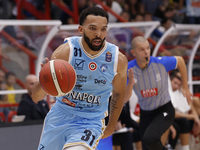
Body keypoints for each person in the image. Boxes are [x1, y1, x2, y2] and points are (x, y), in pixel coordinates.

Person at [32, 7, 128, 150]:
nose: (98, 34)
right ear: (81, 30)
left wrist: (111, 125)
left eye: (103, 29)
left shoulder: (117, 60)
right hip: (60, 116)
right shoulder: (65, 52)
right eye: (93, 28)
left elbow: (119, 93)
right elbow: (36, 97)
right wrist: (44, 80)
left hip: (90, 121)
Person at [125, 36, 192, 150]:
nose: (146, 52)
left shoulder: (160, 63)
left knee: (149, 138)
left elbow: (180, 60)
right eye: (142, 49)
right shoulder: (129, 69)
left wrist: (185, 86)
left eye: (148, 48)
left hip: (164, 109)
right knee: (147, 146)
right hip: (146, 112)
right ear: (133, 52)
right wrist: (130, 84)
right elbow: (125, 99)